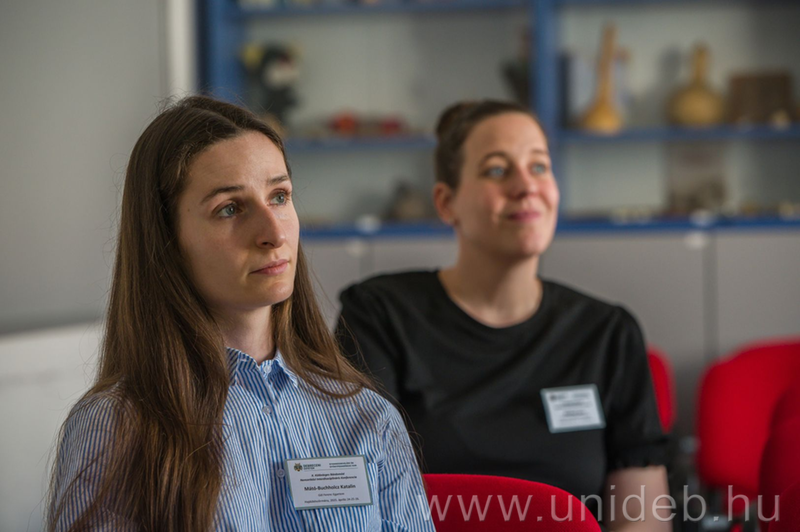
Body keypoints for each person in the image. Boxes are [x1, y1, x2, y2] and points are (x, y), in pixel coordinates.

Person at [47, 96, 433, 532]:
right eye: (230, 208)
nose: (273, 233)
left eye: (279, 197)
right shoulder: (116, 427)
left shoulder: (367, 418)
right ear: (166, 239)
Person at [336, 100, 671, 530]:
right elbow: (354, 497)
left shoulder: (608, 333)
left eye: (539, 167)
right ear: (446, 203)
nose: (526, 187)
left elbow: (642, 520)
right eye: (497, 170)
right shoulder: (380, 314)